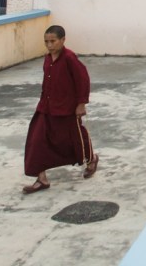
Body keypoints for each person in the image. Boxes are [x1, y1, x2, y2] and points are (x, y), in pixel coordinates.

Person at [22, 25, 99, 193]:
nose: (50, 45)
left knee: (74, 138)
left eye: (53, 41)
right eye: (46, 42)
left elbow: (82, 80)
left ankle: (91, 158)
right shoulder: (47, 59)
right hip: (46, 107)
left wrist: (81, 104)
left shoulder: (69, 58)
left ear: (63, 40)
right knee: (37, 139)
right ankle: (41, 178)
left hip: (66, 108)